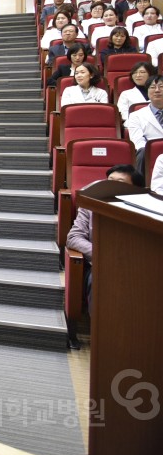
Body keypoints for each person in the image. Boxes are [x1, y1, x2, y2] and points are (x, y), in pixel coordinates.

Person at [66, 164, 143, 316]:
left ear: (135, 189)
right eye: (109, 180)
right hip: (100, 265)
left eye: (119, 182)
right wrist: (104, 256)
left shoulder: (143, 211)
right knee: (102, 278)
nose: (111, 186)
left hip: (136, 266)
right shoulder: (91, 204)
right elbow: (74, 237)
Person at [125, 75, 163, 170]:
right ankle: (141, 184)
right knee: (142, 152)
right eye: (153, 87)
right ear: (147, 91)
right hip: (150, 153)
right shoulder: (135, 115)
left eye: (161, 87)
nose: (157, 90)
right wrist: (155, 149)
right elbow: (137, 141)